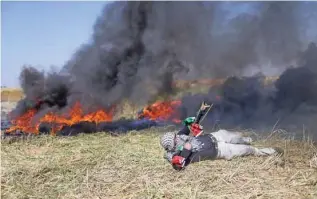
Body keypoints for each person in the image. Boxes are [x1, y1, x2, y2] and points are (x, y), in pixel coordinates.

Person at [160, 104, 283, 170]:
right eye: (175, 139)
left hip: (215, 136)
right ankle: (269, 151)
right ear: (172, 146)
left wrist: (200, 112)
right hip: (220, 150)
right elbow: (177, 166)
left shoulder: (181, 136)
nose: (178, 137)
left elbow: (191, 124)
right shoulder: (177, 155)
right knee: (247, 150)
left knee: (237, 137)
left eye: (175, 136)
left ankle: (246, 139)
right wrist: (186, 151)